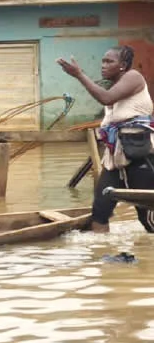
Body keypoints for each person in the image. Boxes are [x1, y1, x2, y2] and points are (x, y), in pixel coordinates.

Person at [57, 45, 154, 233]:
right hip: (115, 158)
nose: (103, 65)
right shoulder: (115, 86)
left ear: (123, 65)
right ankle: (103, 254)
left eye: (109, 61)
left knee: (147, 218)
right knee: (100, 209)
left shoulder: (133, 77)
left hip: (140, 155)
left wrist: (79, 75)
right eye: (103, 61)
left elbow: (106, 98)